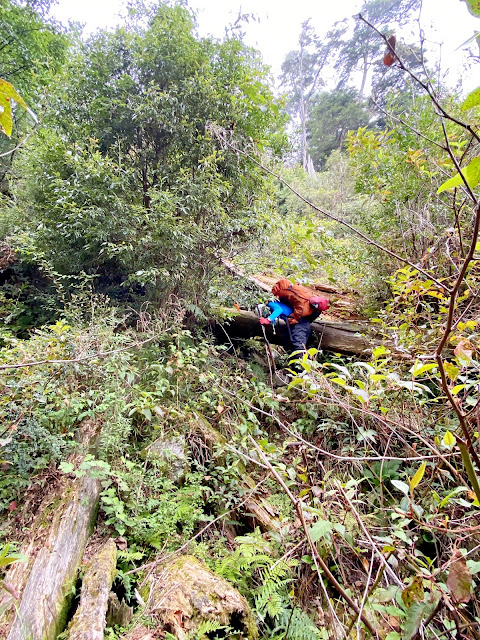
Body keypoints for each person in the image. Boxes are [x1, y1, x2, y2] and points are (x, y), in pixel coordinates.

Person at [258, 279, 330, 353]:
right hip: (296, 315)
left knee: (298, 343)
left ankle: (301, 359)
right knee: (291, 341)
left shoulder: (271, 303)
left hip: (299, 320)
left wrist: (268, 320)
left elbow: (278, 310)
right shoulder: (297, 293)